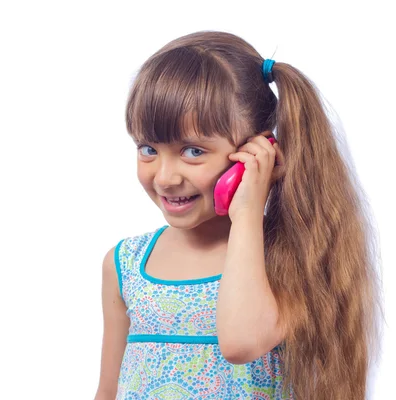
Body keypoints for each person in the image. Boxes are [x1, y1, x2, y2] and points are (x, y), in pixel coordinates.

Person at [94, 31, 383, 400]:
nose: (165, 177)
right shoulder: (125, 264)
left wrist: (246, 211)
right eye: (148, 148)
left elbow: (240, 342)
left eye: (193, 151)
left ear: (257, 152)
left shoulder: (290, 257)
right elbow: (108, 390)